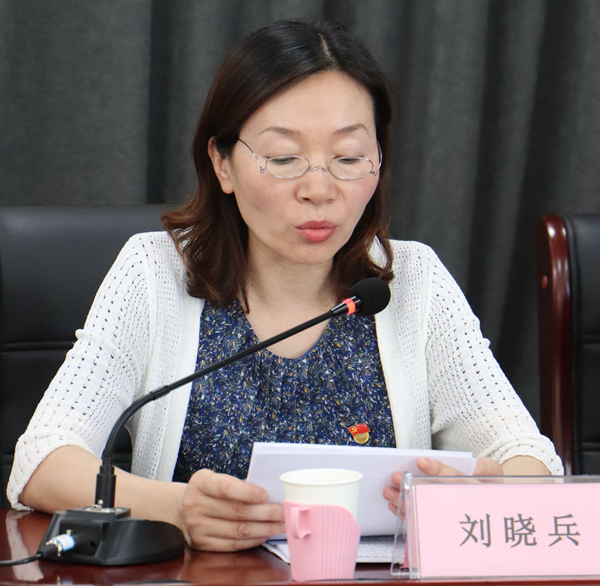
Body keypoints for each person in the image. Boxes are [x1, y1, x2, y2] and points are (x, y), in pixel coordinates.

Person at [8, 19, 562, 553]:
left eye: (349, 158)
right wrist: (176, 507)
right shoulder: (155, 273)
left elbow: (527, 455)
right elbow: (42, 459)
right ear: (223, 163)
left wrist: (484, 493)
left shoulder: (414, 280)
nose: (319, 189)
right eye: (283, 158)